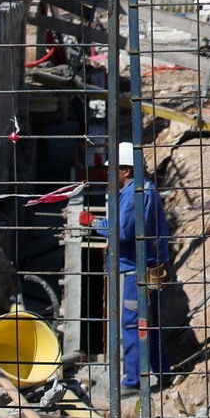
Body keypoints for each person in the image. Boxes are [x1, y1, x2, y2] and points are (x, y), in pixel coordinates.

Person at [78, 141, 172, 392]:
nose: (110, 175)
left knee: (133, 325)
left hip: (137, 270)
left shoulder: (135, 195)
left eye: (114, 170)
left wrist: (94, 222)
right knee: (148, 322)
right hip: (146, 266)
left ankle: (132, 381)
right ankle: (162, 371)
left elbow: (122, 232)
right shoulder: (143, 190)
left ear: (127, 170)